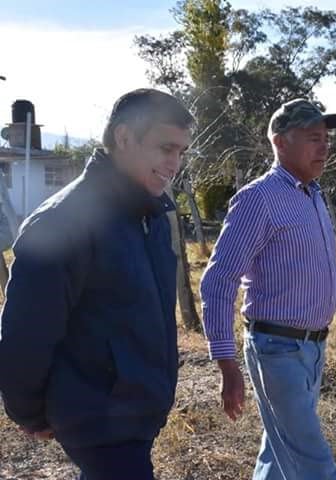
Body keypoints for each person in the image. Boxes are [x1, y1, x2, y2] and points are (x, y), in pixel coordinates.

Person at [200, 98, 336, 480]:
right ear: (280, 142)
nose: (324, 147)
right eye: (313, 138)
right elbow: (219, 280)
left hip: (312, 349)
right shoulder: (258, 199)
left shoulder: (312, 196)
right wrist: (226, 364)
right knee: (312, 463)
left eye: (326, 138)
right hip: (276, 349)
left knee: (279, 455)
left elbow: (330, 277)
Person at [0, 88, 193, 480]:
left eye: (181, 153)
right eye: (165, 148)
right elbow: (27, 335)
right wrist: (29, 412)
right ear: (124, 138)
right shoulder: (63, 221)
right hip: (101, 422)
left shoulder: (149, 215)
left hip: (134, 414)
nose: (174, 164)